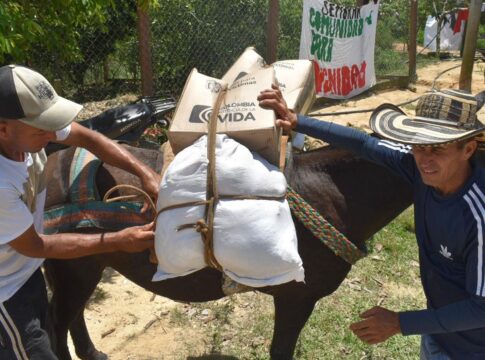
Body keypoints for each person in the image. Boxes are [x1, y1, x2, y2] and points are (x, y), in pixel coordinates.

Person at [258, 85, 485, 360]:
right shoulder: (421, 170)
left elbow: (480, 308)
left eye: (437, 147)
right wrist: (297, 120)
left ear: (468, 149)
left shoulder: (478, 216)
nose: (425, 158)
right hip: (439, 332)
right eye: (418, 144)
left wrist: (400, 323)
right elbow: (364, 144)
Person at [0, 65, 161, 359]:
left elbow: (90, 138)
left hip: (24, 272)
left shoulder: (24, 134)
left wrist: (144, 172)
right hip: (6, 293)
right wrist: (115, 240)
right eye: (42, 128)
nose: (53, 133)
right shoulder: (1, 183)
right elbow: (38, 245)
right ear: (3, 128)